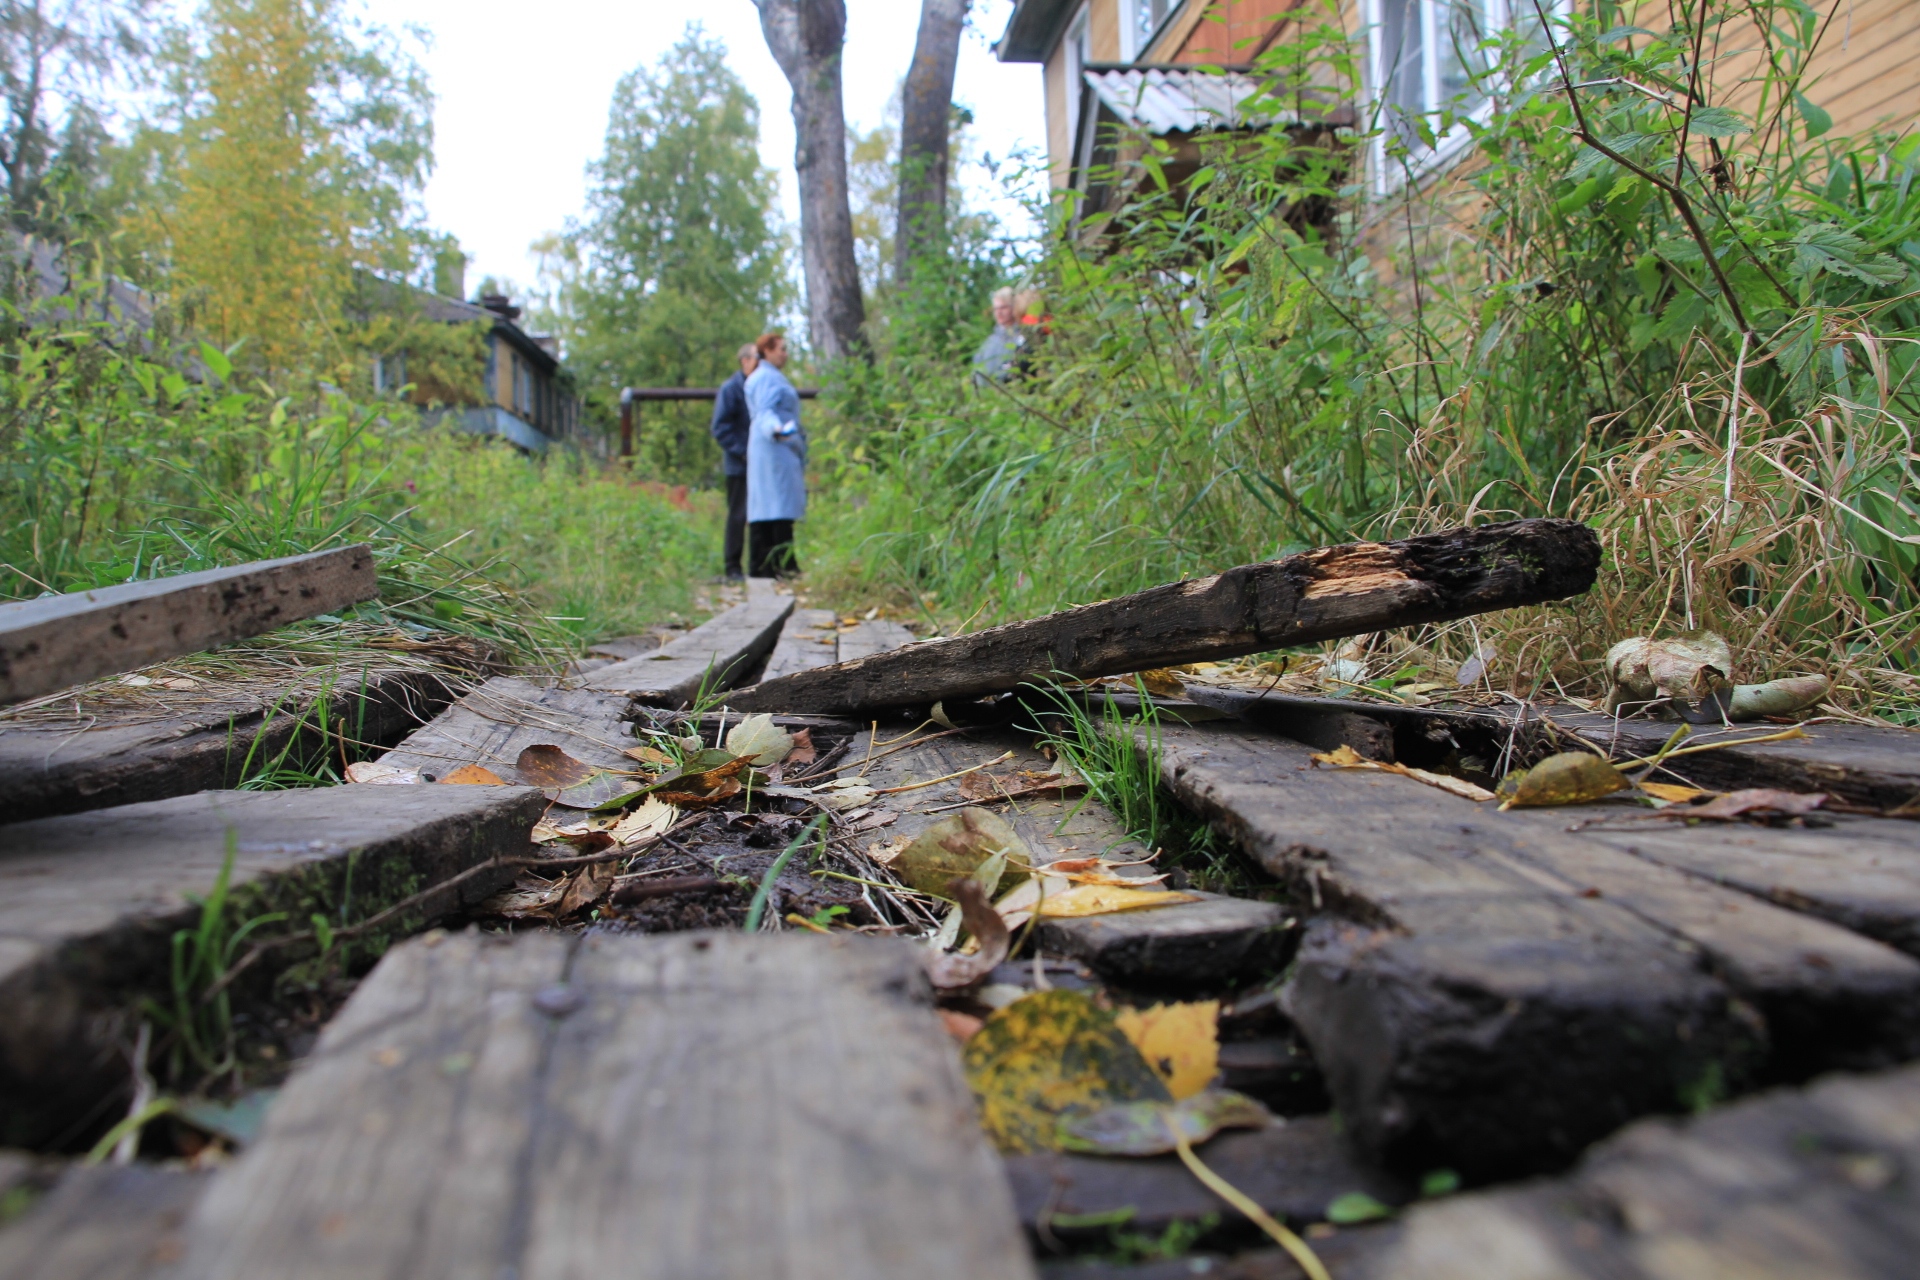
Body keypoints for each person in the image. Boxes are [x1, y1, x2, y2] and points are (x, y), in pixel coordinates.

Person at [743, 330, 806, 578]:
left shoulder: (770, 376)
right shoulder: (766, 379)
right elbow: (765, 412)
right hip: (774, 446)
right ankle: (776, 565)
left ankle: (771, 565)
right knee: (776, 505)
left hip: (775, 446)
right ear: (767, 351)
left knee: (772, 504)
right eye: (781, 349)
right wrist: (777, 430)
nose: (785, 354)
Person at [709, 342, 759, 582]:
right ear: (745, 361)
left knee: (759, 516)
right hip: (739, 465)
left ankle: (758, 566)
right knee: (738, 515)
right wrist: (743, 451)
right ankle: (732, 567)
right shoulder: (731, 389)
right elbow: (720, 428)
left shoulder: (757, 387)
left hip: (759, 465)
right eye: (756, 358)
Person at [971, 286, 1024, 384]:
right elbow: (977, 372)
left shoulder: (1023, 338)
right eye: (996, 309)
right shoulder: (989, 343)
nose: (999, 312)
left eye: (1003, 307)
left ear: (1014, 307)